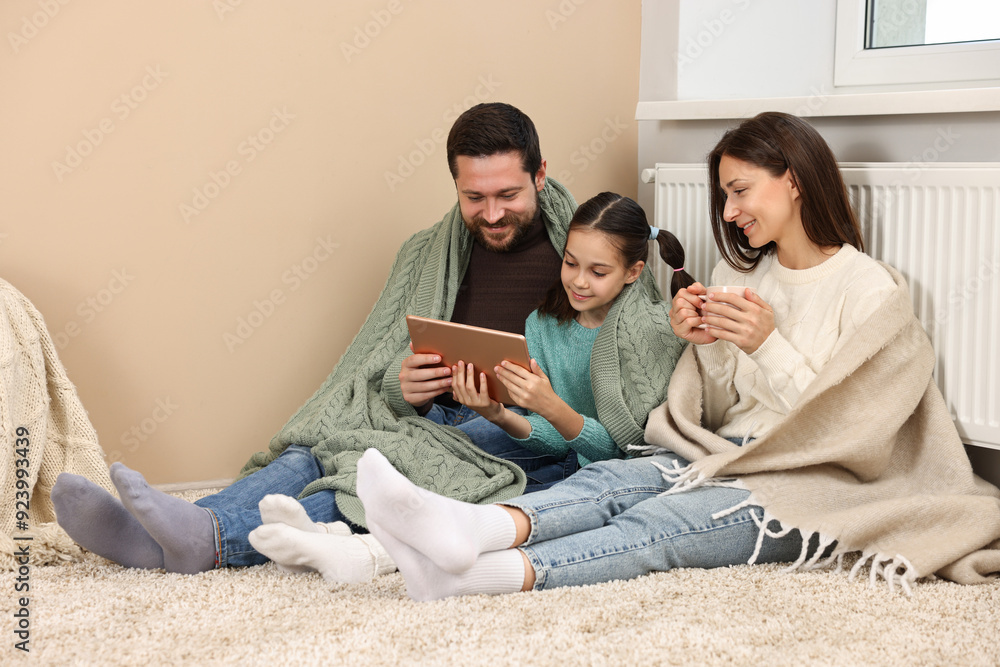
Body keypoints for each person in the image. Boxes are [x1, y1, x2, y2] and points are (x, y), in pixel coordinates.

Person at [356, 111, 1000, 601]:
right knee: (613, 481)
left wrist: (764, 343)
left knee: (662, 523)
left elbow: (858, 433)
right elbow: (717, 411)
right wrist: (710, 348)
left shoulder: (869, 289)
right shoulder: (744, 274)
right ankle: (472, 530)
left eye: (741, 191)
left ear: (795, 182)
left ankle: (476, 572)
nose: (730, 210)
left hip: (814, 482)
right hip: (728, 451)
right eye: (723, 194)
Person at [50, 103, 684, 574]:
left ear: (540, 175)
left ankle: (208, 537)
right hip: (440, 408)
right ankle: (167, 529)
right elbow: (377, 366)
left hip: (514, 426)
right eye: (475, 197)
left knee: (376, 466)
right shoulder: (426, 254)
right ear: (456, 187)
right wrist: (403, 387)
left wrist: (511, 405)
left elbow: (620, 394)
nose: (492, 213)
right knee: (321, 448)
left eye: (509, 195)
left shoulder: (583, 253)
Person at [246, 193, 694, 582]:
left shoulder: (649, 332)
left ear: (634, 272)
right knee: (433, 449)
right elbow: (552, 436)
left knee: (478, 490)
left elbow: (626, 454)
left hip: (590, 473)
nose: (578, 280)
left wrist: (553, 406)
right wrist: (498, 413)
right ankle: (326, 530)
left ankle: (354, 547)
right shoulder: (543, 324)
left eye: (598, 272)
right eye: (571, 263)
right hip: (554, 453)